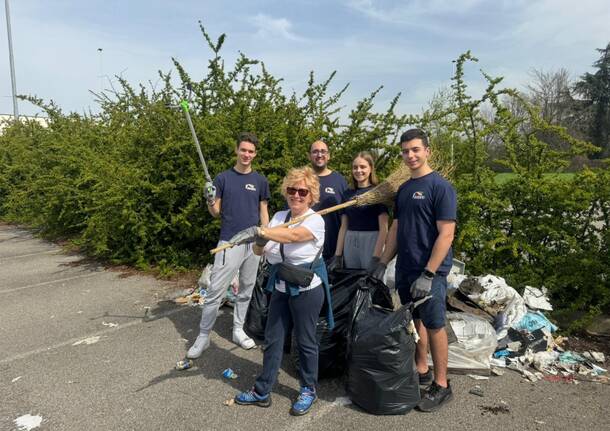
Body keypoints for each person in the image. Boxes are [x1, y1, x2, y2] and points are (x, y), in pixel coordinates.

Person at [228, 166, 333, 416]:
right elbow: (259, 252)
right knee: (273, 339)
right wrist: (259, 240)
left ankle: (308, 389)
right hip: (280, 286)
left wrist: (261, 231)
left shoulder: (315, 220)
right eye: (291, 190)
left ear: (311, 195)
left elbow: (293, 236)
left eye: (302, 191)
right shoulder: (278, 217)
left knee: (306, 341)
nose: (296, 195)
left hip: (307, 289)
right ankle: (262, 391)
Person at [369, 128, 457, 413]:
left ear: (427, 151)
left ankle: (442, 385)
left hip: (429, 271)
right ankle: (422, 369)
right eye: (406, 151)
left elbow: (446, 234)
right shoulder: (405, 189)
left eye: (415, 150)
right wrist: (383, 261)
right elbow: (396, 228)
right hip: (405, 268)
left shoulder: (440, 187)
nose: (410, 155)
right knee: (415, 320)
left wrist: (429, 274)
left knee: (434, 325)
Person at [187, 132, 270, 359]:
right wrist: (209, 199)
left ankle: (238, 330)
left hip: (253, 242)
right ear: (236, 150)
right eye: (243, 150)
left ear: (255, 154)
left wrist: (267, 235)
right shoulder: (222, 179)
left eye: (251, 151)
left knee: (246, 289)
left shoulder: (260, 181)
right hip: (229, 243)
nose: (246, 154)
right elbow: (215, 213)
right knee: (215, 292)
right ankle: (203, 337)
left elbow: (263, 210)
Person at [328, 151, 389, 271]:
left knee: (371, 282)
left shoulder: (378, 193)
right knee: (351, 280)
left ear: (371, 168)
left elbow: (384, 229)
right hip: (350, 241)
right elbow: (343, 227)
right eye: (355, 167)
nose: (358, 170)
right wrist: (338, 255)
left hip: (372, 241)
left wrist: (376, 257)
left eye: (363, 167)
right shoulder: (347, 194)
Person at [309, 139, 348, 262]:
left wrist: (340, 252)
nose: (319, 155)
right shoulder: (302, 178)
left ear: (329, 156)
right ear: (309, 156)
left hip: (332, 249)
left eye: (323, 151)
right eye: (315, 152)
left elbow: (346, 218)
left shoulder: (339, 181)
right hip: (304, 248)